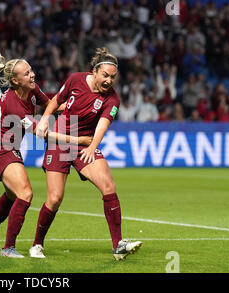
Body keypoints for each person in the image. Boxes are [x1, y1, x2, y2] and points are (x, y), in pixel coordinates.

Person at [0, 46, 93, 258]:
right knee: (25, 193)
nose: (33, 75)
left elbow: (50, 105)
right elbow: (43, 133)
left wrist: (77, 103)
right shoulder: (13, 103)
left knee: (12, 194)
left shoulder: (31, 89)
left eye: (31, 70)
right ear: (15, 81)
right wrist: (80, 140)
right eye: (27, 73)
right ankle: (8, 248)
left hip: (10, 146)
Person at [33, 47, 142, 260]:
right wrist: (45, 118)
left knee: (108, 186)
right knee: (55, 199)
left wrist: (92, 147)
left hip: (85, 144)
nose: (109, 80)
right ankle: (37, 243)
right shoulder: (75, 80)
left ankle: (118, 245)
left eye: (113, 77)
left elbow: (101, 127)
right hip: (60, 141)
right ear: (94, 72)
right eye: (105, 75)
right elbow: (56, 100)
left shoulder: (112, 100)